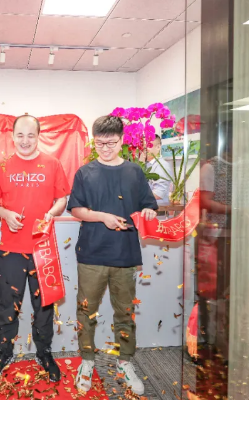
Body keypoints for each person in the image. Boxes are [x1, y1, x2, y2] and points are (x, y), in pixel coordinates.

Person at [68, 115, 158, 395]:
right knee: (86, 312)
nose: (105, 148)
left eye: (111, 143)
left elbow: (148, 205)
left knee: (125, 312)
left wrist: (148, 211)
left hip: (125, 254)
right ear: (93, 141)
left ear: (122, 141)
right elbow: (76, 209)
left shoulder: (134, 171)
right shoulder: (85, 172)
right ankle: (86, 360)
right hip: (92, 253)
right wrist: (102, 217)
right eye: (100, 143)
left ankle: (125, 362)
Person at [0, 115, 70, 383]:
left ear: (38, 136)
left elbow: (62, 199)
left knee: (44, 305)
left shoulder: (52, 164)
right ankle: (4, 352)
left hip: (42, 249)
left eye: (30, 135)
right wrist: (5, 213)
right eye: (20, 135)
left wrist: (51, 213)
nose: (25, 140)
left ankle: (44, 352)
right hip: (10, 248)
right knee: (7, 305)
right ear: (12, 136)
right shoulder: (2, 166)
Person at [145, 135, 173, 207]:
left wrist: (136, 197)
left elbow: (158, 194)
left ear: (158, 147)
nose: (145, 149)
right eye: (143, 146)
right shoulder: (146, 164)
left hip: (158, 210)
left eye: (148, 146)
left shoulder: (162, 165)